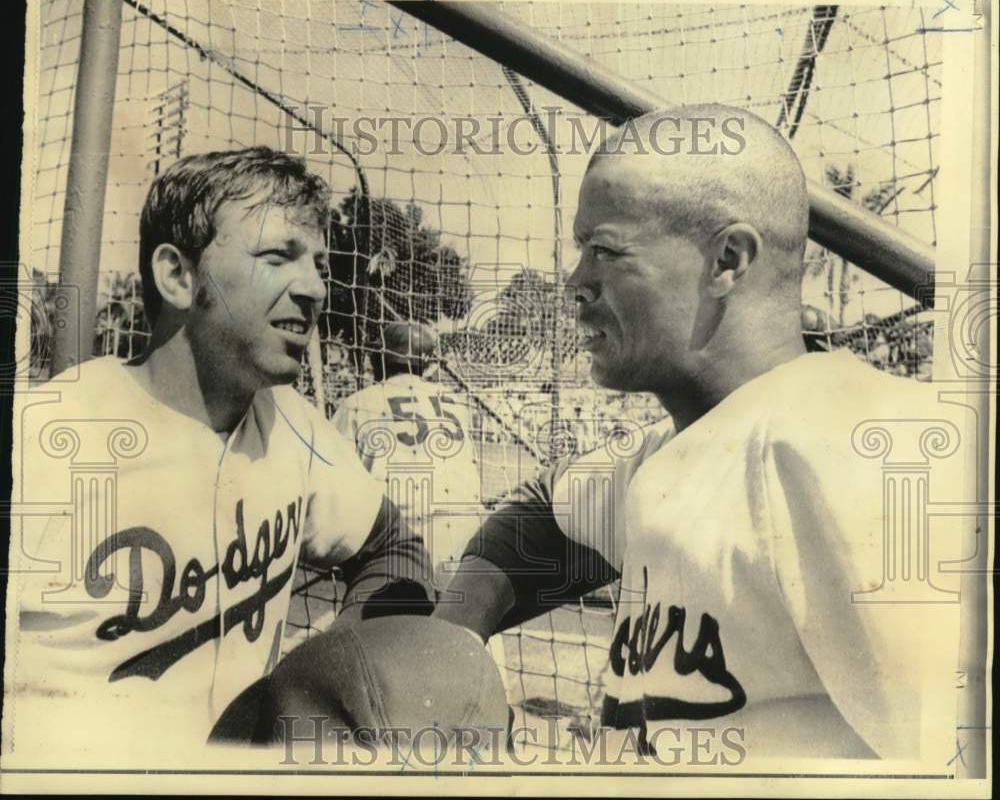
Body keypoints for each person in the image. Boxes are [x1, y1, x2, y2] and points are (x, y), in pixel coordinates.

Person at [432, 105, 964, 762]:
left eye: (604, 250)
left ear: (727, 261)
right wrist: (450, 641)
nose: (575, 284)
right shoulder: (679, 450)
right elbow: (543, 512)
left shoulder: (863, 448)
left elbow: (957, 762)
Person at [2, 148, 448, 763]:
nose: (315, 287)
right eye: (277, 257)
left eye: (319, 263)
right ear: (179, 277)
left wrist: (339, 667)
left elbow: (394, 546)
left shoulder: (293, 423)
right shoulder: (45, 439)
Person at [332, 322, 485, 591]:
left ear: (379, 359)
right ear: (427, 365)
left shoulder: (360, 401)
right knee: (462, 622)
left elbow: (335, 482)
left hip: (402, 534)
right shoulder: (455, 401)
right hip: (465, 531)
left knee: (392, 626)